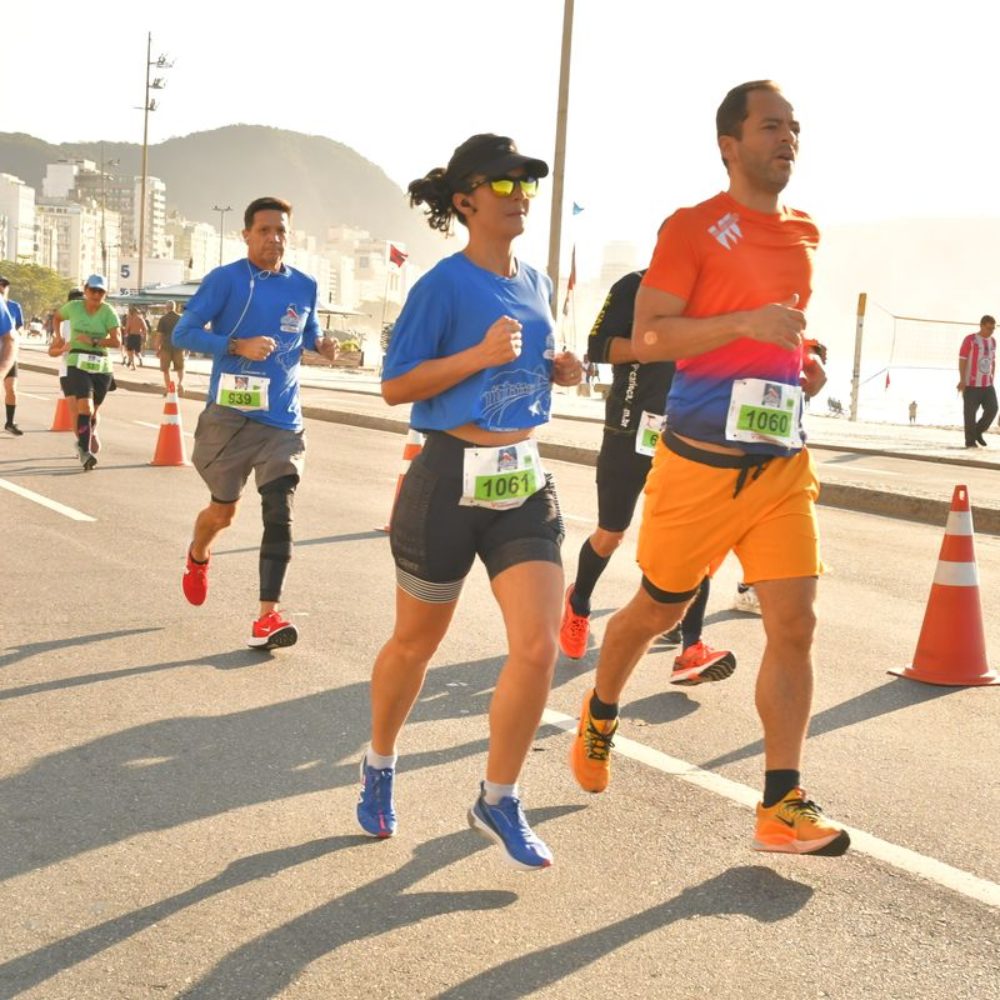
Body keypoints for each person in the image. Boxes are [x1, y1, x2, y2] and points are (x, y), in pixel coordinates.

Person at [569, 81, 849, 858]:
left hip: (779, 466)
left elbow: (782, 332)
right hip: (696, 467)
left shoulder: (806, 234)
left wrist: (803, 364)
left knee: (796, 624)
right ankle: (600, 711)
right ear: (729, 143)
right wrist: (745, 323)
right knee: (654, 612)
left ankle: (779, 804)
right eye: (771, 127)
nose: (787, 139)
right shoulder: (691, 229)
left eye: (795, 128)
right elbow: (651, 335)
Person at [356, 134, 582, 870]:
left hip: (521, 477)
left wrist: (564, 371)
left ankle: (499, 796)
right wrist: (477, 357)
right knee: (416, 644)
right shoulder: (441, 286)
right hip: (448, 475)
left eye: (527, 185)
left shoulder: (538, 281)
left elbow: (534, 368)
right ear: (466, 201)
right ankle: (381, 760)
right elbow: (395, 385)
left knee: (538, 646)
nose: (520, 196)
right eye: (506, 184)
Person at [172, 196, 339, 650]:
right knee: (222, 512)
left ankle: (268, 616)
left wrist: (323, 345)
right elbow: (181, 334)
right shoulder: (225, 281)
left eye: (281, 230)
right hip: (229, 418)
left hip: (282, 420)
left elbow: (308, 334)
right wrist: (236, 345)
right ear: (246, 234)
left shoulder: (304, 285)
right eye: (264, 230)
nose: (274, 238)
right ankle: (198, 554)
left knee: (278, 509)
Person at [559, 269, 736, 684]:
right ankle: (579, 604)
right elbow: (598, 347)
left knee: (690, 542)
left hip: (685, 432)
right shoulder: (634, 286)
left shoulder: (709, 292)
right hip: (629, 429)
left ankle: (691, 648)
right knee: (611, 533)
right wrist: (657, 344)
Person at [49, 275, 121, 470]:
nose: (96, 295)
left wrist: (95, 341)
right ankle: (85, 450)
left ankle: (84, 441)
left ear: (105, 294)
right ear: (86, 290)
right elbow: (57, 316)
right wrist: (57, 337)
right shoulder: (74, 307)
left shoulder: (109, 312)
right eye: (93, 290)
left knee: (93, 412)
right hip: (76, 363)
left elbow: (117, 341)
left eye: (101, 292)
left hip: (101, 366)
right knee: (85, 408)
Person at [957, 315, 996, 448]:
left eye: (993, 329)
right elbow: (962, 359)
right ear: (981, 326)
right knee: (970, 415)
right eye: (989, 328)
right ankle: (970, 442)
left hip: (987, 385)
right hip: (971, 385)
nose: (991, 331)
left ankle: (978, 431)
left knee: (993, 409)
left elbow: (993, 361)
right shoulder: (971, 339)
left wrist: (992, 378)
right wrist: (962, 379)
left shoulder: (993, 341)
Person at [0, 276, 25, 435]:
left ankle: (10, 421)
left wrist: (17, 335)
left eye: (5, 285)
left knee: (11, 388)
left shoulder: (14, 306)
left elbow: (20, 326)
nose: (2, 287)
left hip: (8, 354)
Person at [154, 300, 184, 394]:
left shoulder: (163, 319)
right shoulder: (181, 318)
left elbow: (159, 335)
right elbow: (185, 333)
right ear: (174, 307)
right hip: (179, 346)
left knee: (166, 370)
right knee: (180, 368)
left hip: (166, 347)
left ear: (166, 308)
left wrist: (157, 348)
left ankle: (169, 389)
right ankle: (180, 383)